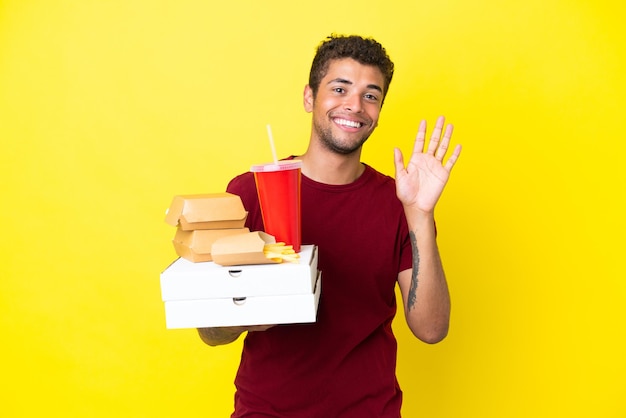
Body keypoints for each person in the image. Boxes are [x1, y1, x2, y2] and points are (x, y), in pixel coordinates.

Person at [198, 34, 462, 417]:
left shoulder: (399, 202)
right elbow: (209, 333)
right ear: (310, 97)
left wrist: (420, 214)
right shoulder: (248, 192)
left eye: (371, 95)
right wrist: (246, 317)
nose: (354, 106)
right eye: (340, 89)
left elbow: (432, 329)